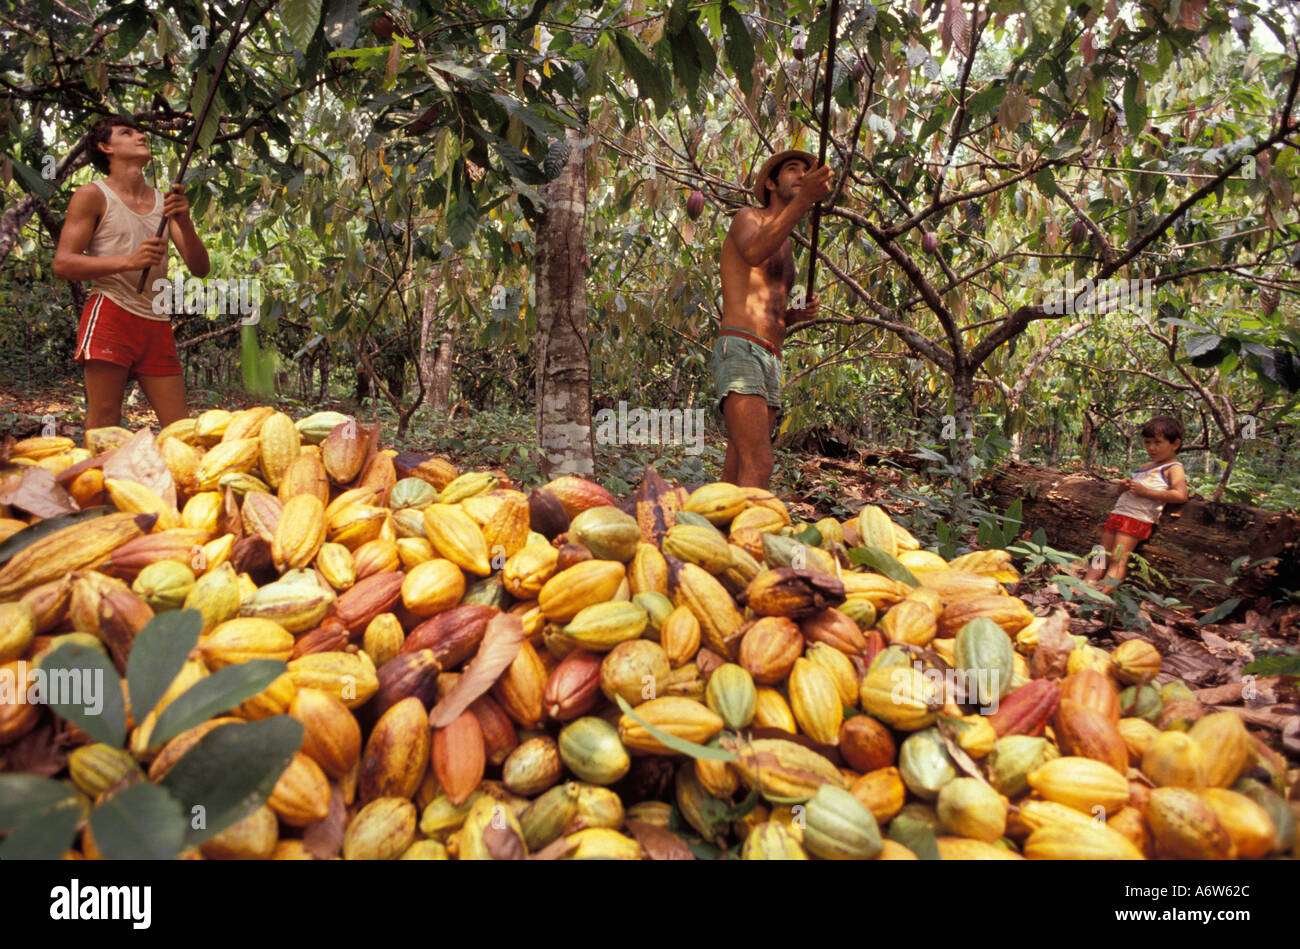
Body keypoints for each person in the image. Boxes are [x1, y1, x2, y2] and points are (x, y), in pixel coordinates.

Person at [53, 116, 210, 431]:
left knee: (179, 429)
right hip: (112, 311)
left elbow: (200, 268)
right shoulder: (92, 195)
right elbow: (64, 263)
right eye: (127, 132)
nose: (140, 136)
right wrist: (129, 261)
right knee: (105, 422)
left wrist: (185, 220)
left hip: (156, 321)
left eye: (140, 131)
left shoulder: (166, 202)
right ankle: (92, 480)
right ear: (105, 147)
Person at [714, 149, 833, 487]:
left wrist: (794, 315)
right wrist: (804, 201)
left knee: (738, 464)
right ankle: (751, 539)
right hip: (741, 347)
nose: (801, 175)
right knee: (760, 464)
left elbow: (770, 307)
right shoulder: (749, 217)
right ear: (769, 183)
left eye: (805, 172)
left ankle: (718, 534)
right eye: (792, 170)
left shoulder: (785, 241)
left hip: (771, 356)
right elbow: (752, 252)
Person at [1084, 416, 1189, 591]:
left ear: (1175, 444)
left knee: (1118, 560)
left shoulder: (1174, 468)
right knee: (1100, 553)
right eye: (1148, 442)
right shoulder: (1145, 466)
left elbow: (1181, 495)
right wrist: (1123, 486)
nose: (1152, 448)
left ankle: (1103, 594)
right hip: (1119, 513)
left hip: (1136, 519)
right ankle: (1086, 585)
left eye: (1158, 442)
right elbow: (1126, 491)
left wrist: (1147, 492)